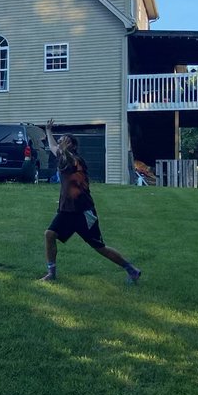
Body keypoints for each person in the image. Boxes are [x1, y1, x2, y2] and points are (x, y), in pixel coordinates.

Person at [40, 119, 140, 284]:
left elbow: (64, 155)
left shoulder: (75, 160)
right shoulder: (64, 155)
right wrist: (48, 131)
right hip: (67, 211)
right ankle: (51, 273)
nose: (60, 142)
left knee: (99, 247)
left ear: (72, 145)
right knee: (49, 234)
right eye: (61, 140)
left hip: (84, 212)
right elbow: (53, 148)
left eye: (64, 140)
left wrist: (62, 147)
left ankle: (132, 270)